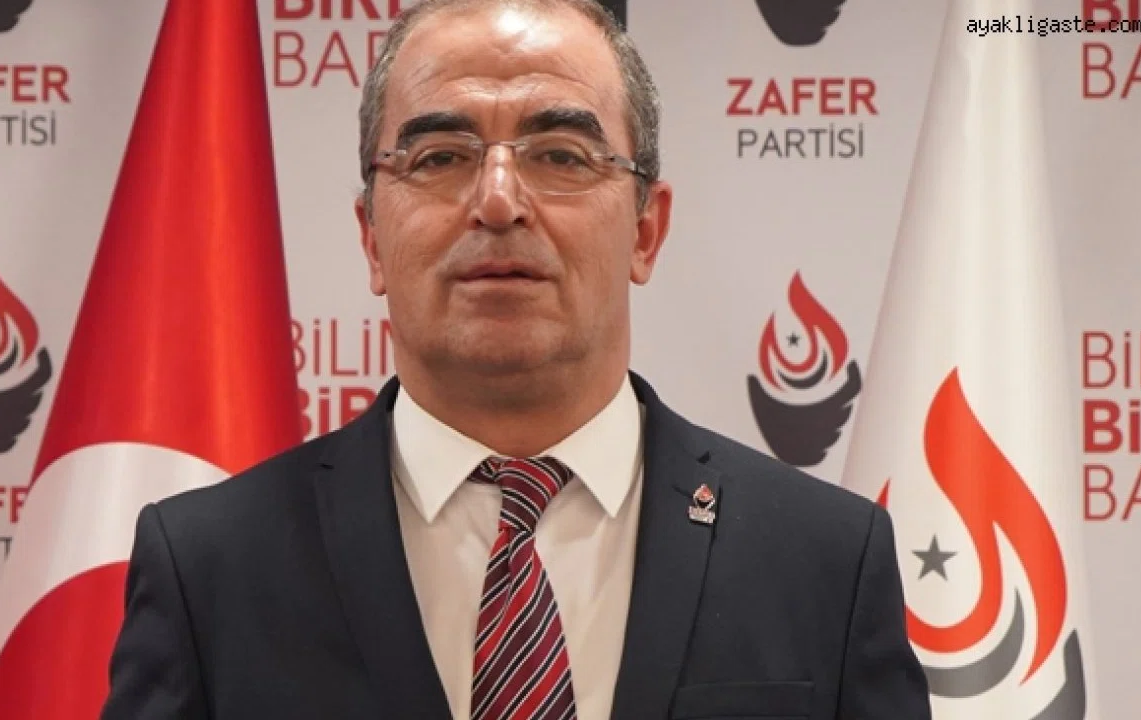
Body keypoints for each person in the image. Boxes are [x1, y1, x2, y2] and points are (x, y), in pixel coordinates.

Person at [100, 0, 932, 718]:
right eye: (440, 158)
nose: (498, 202)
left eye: (560, 156)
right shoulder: (208, 567)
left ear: (646, 230)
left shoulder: (826, 559)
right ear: (371, 240)